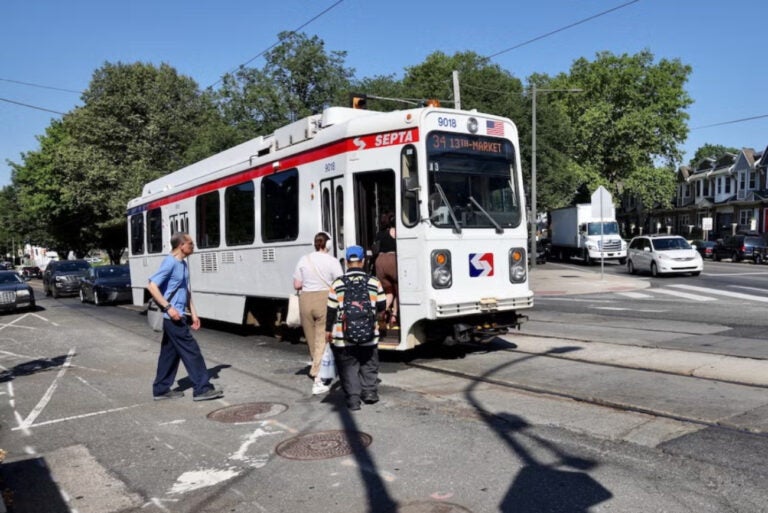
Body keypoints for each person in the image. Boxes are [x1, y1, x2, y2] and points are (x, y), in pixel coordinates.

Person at [148, 232, 223, 402]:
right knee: (192, 351)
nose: (193, 246)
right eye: (190, 243)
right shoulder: (170, 262)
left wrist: (194, 313)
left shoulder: (182, 264)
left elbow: (185, 290)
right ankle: (202, 388)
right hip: (172, 318)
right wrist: (168, 307)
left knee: (169, 355)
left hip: (179, 315)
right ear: (181, 245)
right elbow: (152, 286)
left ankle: (160, 389)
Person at [325, 245, 386, 411]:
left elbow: (331, 310)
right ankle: (370, 393)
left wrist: (328, 330)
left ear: (346, 263)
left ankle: (353, 399)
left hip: (343, 336)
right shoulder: (374, 282)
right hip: (369, 333)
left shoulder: (337, 284)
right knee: (369, 363)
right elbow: (382, 306)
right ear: (363, 261)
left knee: (348, 367)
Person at [293, 232, 343, 395]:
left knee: (311, 338)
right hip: (324, 298)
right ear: (328, 245)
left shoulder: (303, 259)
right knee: (323, 337)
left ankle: (317, 366)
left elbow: (297, 284)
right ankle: (318, 377)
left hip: (305, 300)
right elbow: (340, 282)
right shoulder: (332, 261)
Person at [373, 213, 398, 329]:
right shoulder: (396, 232)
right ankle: (394, 316)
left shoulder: (379, 234)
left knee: (388, 291)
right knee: (399, 290)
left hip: (379, 261)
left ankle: (383, 312)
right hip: (392, 260)